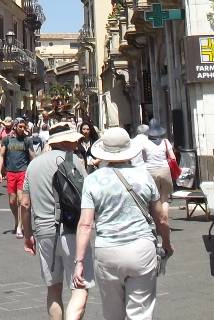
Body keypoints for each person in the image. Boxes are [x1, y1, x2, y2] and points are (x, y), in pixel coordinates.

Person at [71, 127, 172, 320]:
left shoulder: (92, 180)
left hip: (107, 250)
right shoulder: (144, 176)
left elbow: (85, 225)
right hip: (141, 248)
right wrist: (166, 243)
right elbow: (161, 218)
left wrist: (79, 262)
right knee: (140, 313)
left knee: (113, 313)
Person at [20, 122, 93, 320]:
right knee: (80, 287)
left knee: (53, 289)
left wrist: (28, 234)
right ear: (65, 141)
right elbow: (88, 193)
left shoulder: (33, 165)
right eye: (73, 140)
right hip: (71, 230)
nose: (76, 144)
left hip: (44, 232)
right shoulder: (73, 160)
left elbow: (24, 204)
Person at [0, 117, 35, 238]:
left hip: (23, 172)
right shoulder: (7, 139)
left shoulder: (27, 140)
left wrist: (34, 171)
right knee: (12, 201)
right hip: (10, 172)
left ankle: (20, 226)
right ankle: (16, 220)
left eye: (24, 127)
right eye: (20, 127)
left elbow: (32, 157)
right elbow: (1, 155)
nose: (22, 129)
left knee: (20, 200)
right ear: (15, 126)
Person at [140, 121, 174, 215]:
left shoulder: (144, 143)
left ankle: (156, 221)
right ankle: (165, 218)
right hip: (165, 170)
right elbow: (173, 157)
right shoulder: (165, 141)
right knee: (165, 199)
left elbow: (143, 158)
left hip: (150, 171)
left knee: (154, 199)